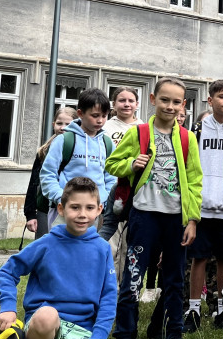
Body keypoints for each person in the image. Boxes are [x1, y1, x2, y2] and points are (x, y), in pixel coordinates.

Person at [106, 77, 202, 339]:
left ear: (183, 105)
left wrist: (193, 220)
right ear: (153, 100)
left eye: (176, 102)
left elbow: (195, 180)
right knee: (133, 278)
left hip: (176, 220)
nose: (170, 106)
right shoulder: (139, 133)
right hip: (144, 216)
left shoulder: (188, 138)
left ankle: (174, 337)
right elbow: (112, 163)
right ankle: (124, 338)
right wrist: (130, 164)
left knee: (174, 280)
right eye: (165, 100)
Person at [0, 176, 117, 339]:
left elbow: (108, 297)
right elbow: (7, 272)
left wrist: (98, 338)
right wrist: (7, 307)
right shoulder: (45, 244)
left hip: (81, 328)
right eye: (75, 207)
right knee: (47, 314)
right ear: (61, 208)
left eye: (89, 208)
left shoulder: (102, 248)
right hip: (46, 324)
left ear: (99, 210)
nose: (82, 214)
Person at [185, 79, 223, 332]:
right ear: (210, 100)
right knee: (198, 258)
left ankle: (222, 308)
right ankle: (194, 309)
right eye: (221, 96)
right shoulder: (197, 130)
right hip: (203, 205)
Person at [41, 89, 115, 226]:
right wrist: (61, 198)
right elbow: (47, 174)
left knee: (88, 247)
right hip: (64, 211)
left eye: (104, 116)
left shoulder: (107, 143)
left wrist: (104, 201)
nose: (100, 120)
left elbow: (111, 177)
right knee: (61, 247)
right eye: (95, 115)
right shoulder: (64, 140)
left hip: (95, 212)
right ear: (80, 113)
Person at [24, 107, 75, 240]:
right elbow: (34, 183)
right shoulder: (44, 151)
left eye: (68, 124)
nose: (63, 127)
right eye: (59, 123)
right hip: (45, 209)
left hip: (71, 206)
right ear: (53, 124)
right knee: (45, 247)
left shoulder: (78, 148)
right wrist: (30, 214)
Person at [98, 88, 139, 243]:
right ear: (114, 104)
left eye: (131, 101)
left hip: (133, 188)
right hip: (109, 188)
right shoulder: (105, 127)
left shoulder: (143, 128)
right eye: (122, 101)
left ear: (137, 104)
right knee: (110, 237)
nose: (126, 104)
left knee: (130, 241)